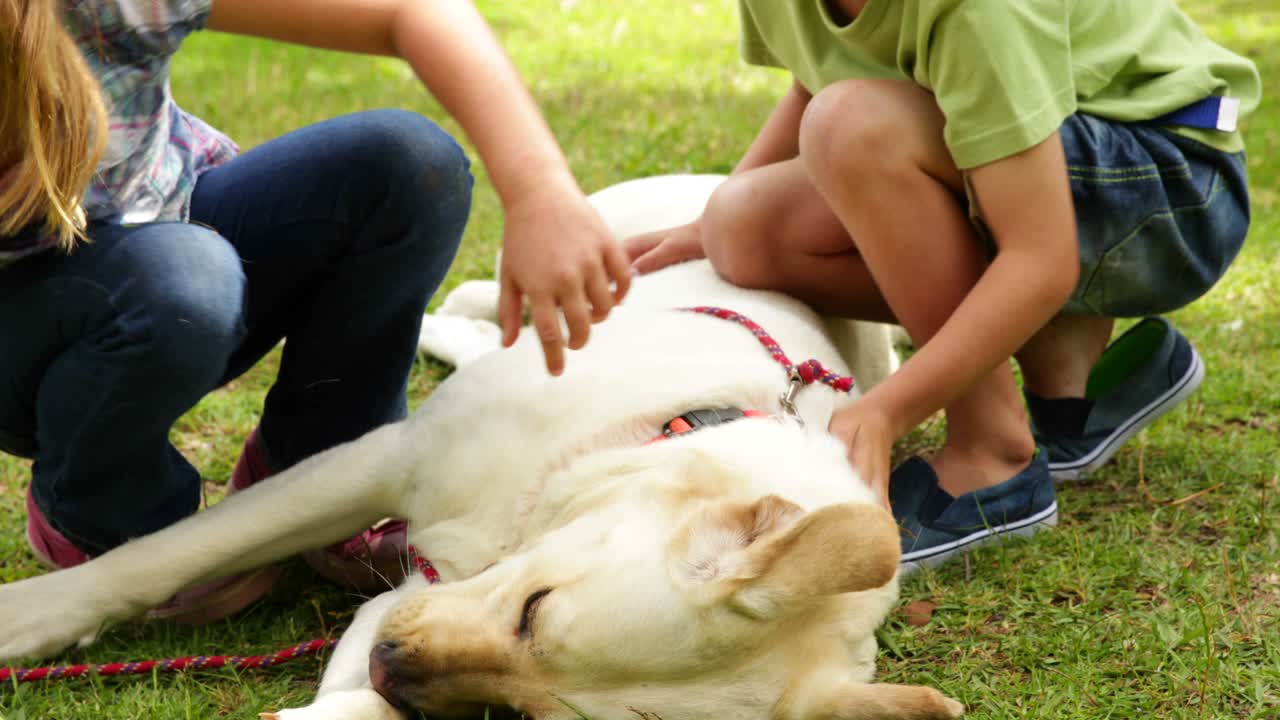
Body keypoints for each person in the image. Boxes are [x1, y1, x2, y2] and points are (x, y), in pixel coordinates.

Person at [1, 0, 630, 621]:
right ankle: (103, 514)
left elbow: (414, 12)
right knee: (183, 280)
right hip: (40, 328)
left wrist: (539, 189)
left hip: (166, 234)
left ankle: (318, 471)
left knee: (408, 166)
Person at [625, 0, 1259, 570]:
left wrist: (887, 409)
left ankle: (994, 456)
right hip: (1048, 164)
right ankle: (1070, 395)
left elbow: (1041, 258)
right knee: (744, 230)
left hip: (1172, 183)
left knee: (853, 124)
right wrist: (704, 224)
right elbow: (817, 75)